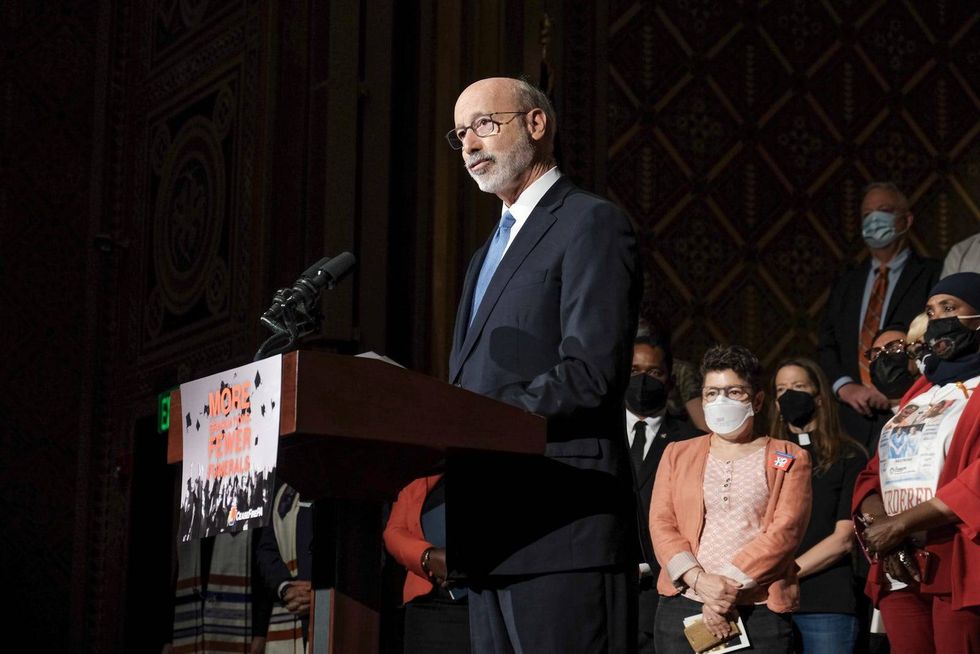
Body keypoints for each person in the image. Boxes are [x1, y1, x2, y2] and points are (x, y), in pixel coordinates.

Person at [445, 76, 641, 652]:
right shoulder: (486, 252)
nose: (470, 146)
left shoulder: (589, 222)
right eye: (460, 135)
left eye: (484, 125)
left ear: (537, 125)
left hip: (562, 527)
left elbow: (591, 372)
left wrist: (475, 420)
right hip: (489, 532)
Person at [649, 345, 812, 654]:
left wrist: (724, 590)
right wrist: (699, 581)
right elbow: (661, 523)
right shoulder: (677, 454)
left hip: (758, 609)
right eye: (711, 393)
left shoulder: (788, 456)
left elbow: (785, 531)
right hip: (683, 603)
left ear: (758, 400)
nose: (720, 401)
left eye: (733, 392)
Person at [852, 272, 980, 653]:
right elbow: (875, 470)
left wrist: (902, 523)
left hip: (957, 556)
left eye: (950, 307)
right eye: (931, 309)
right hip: (900, 558)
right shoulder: (922, 390)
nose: (938, 316)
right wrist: (881, 527)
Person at [818, 182, 941, 451]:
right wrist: (846, 387)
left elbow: (938, 337)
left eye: (884, 210)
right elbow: (827, 344)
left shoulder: (934, 273)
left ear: (906, 220)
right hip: (852, 418)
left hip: (913, 410)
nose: (874, 220)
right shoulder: (847, 281)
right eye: (867, 214)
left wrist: (896, 389)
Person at [768, 357, 867, 653]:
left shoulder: (849, 457)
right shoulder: (765, 456)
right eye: (782, 389)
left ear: (819, 397)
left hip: (825, 601)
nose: (790, 395)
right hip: (768, 602)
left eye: (798, 386)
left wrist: (787, 573)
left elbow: (843, 539)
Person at [626, 335, 703, 652]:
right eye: (634, 370)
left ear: (669, 380)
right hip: (604, 590)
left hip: (663, 591)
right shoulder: (597, 435)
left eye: (654, 372)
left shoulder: (692, 442)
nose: (643, 379)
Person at [383, 474, 470, 653]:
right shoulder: (420, 469)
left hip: (483, 598)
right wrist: (426, 557)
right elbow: (394, 531)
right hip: (432, 605)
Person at [255, 483, 313, 652]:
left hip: (336, 610)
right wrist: (285, 588)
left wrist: (321, 595)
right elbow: (266, 550)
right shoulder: (284, 491)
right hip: (291, 606)